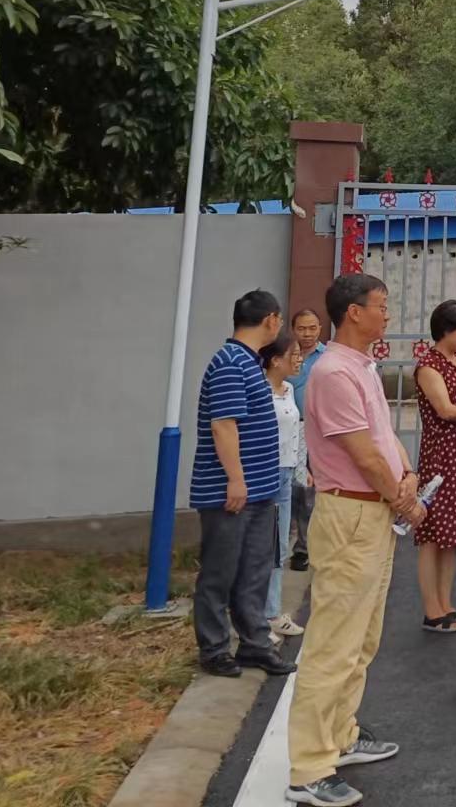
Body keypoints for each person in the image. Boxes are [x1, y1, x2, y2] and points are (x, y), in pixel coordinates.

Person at [287, 275, 425, 807]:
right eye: (381, 306)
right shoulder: (333, 373)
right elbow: (362, 455)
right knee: (333, 644)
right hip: (351, 514)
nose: (387, 314)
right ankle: (309, 768)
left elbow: (383, 439)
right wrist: (404, 500)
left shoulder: (361, 366)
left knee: (362, 639)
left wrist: (407, 474)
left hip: (374, 512)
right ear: (353, 312)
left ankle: (341, 735)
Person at [191, 290, 296, 679]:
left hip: (260, 491)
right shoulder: (230, 363)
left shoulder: (249, 362)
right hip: (232, 492)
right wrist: (236, 479)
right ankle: (214, 649)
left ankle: (254, 644)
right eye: (279, 320)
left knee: (254, 572)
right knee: (220, 573)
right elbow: (223, 425)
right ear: (270, 320)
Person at [413, 299, 456, 633]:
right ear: (446, 329)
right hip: (440, 454)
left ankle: (446, 601)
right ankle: (431, 609)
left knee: (452, 534)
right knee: (432, 533)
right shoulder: (429, 365)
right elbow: (445, 409)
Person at [259, 329, 309, 640]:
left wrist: (301, 469)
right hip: (265, 475)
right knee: (264, 547)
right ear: (276, 360)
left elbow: (296, 431)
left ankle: (272, 613)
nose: (299, 360)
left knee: (279, 546)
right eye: (294, 355)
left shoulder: (288, 389)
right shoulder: (260, 391)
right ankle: (260, 617)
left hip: (286, 474)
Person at [286, 308, 326, 573]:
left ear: (320, 328)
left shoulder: (327, 357)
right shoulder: (286, 356)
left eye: (312, 328)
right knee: (297, 491)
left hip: (320, 431)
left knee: (314, 492)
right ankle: (298, 546)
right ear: (293, 330)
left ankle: (309, 547)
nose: (307, 334)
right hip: (292, 430)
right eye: (302, 328)